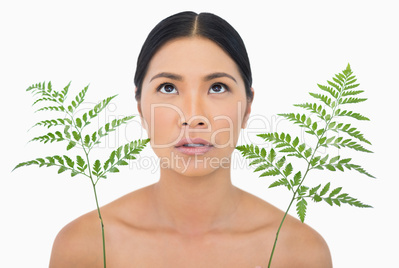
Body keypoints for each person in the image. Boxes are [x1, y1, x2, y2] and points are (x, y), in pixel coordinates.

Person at [49, 11, 332, 267]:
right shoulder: (84, 246)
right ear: (139, 107)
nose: (193, 116)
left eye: (217, 87)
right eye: (168, 87)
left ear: (247, 107)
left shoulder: (299, 252)